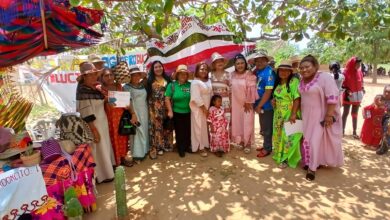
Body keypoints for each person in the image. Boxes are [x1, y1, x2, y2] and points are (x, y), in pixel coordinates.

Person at [298, 55, 344, 181]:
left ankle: (312, 169)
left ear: (315, 66)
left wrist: (329, 115)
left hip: (320, 115)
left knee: (314, 141)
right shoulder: (302, 80)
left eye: (307, 67)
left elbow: (333, 97)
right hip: (306, 115)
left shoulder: (324, 77)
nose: (304, 70)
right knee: (307, 139)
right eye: (301, 68)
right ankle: (311, 162)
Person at [76, 62, 115, 183]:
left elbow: (101, 102)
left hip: (102, 122)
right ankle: (102, 175)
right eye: (90, 75)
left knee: (104, 147)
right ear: (84, 77)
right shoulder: (82, 90)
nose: (94, 77)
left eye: (95, 74)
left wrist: (107, 99)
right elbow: (86, 113)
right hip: (94, 124)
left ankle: (108, 171)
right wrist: (93, 130)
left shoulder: (96, 88)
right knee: (98, 149)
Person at [98, 68, 133, 167]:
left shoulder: (119, 86)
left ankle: (123, 158)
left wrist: (131, 112)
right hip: (108, 119)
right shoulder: (99, 89)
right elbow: (98, 103)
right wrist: (106, 100)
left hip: (121, 117)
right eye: (106, 75)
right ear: (102, 77)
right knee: (111, 139)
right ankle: (114, 161)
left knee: (123, 137)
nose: (109, 77)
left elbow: (127, 101)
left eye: (111, 75)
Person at [272, 61, 302, 169]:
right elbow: (277, 95)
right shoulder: (278, 82)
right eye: (281, 70)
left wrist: (294, 113)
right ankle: (279, 155)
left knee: (288, 136)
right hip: (278, 113)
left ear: (290, 72)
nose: (283, 72)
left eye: (286, 70)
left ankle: (285, 159)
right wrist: (274, 101)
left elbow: (297, 98)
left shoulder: (294, 82)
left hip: (289, 113)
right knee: (279, 135)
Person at [231, 54, 259, 153]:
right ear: (234, 65)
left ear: (245, 64)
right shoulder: (232, 75)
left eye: (242, 63)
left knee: (248, 122)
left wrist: (248, 101)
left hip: (247, 103)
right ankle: (242, 141)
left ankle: (248, 143)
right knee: (238, 122)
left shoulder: (249, 74)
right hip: (235, 104)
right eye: (237, 63)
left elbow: (252, 89)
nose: (240, 65)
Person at [146, 61, 173, 158]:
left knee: (166, 126)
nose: (158, 69)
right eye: (156, 67)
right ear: (153, 69)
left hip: (166, 106)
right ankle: (159, 147)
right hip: (154, 108)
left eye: (160, 66)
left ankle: (167, 145)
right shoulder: (149, 81)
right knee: (157, 127)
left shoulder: (168, 79)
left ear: (163, 67)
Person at [123, 66, 149, 161]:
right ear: (130, 77)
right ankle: (137, 154)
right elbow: (127, 101)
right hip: (134, 111)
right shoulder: (126, 87)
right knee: (137, 131)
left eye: (138, 75)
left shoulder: (142, 85)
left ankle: (145, 151)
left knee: (144, 131)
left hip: (144, 111)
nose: (136, 77)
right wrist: (133, 113)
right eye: (134, 75)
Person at [165, 65, 192, 157]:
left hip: (189, 112)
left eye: (185, 74)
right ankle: (180, 148)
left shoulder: (190, 85)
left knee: (188, 130)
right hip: (177, 112)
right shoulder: (172, 85)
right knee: (179, 131)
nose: (183, 76)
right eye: (181, 74)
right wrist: (170, 111)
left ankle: (187, 146)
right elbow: (167, 98)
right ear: (177, 75)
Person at [252, 52, 275, 158]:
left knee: (267, 128)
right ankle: (266, 145)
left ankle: (267, 148)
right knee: (263, 127)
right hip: (260, 104)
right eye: (257, 60)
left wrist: (259, 105)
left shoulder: (269, 72)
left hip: (266, 105)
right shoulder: (258, 71)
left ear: (267, 61)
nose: (259, 62)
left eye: (262, 60)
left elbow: (268, 92)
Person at [190, 62, 213, 157]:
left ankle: (205, 144)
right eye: (201, 69)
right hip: (198, 108)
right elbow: (196, 97)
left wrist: (210, 108)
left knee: (204, 127)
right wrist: (204, 108)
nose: (204, 71)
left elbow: (211, 93)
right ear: (197, 70)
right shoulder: (195, 82)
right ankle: (199, 147)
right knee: (198, 126)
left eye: (205, 69)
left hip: (207, 106)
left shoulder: (208, 81)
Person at [342, 56, 364, 139]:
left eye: (359, 64)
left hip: (357, 97)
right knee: (345, 113)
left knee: (355, 114)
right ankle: (342, 130)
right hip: (348, 97)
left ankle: (354, 132)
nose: (358, 65)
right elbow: (342, 85)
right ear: (352, 64)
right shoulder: (345, 73)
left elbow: (361, 82)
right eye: (357, 63)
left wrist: (362, 89)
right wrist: (347, 91)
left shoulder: (360, 72)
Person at [210, 52, 231, 126]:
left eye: (221, 61)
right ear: (213, 64)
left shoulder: (228, 74)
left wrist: (231, 106)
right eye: (217, 61)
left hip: (225, 103)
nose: (219, 63)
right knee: (216, 125)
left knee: (225, 125)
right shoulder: (210, 75)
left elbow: (231, 92)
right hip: (214, 105)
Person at [377, 85, 390, 155]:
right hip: (383, 117)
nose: (387, 93)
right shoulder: (382, 99)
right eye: (386, 92)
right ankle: (382, 144)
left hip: (388, 118)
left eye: (389, 92)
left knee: (388, 125)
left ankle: (385, 146)